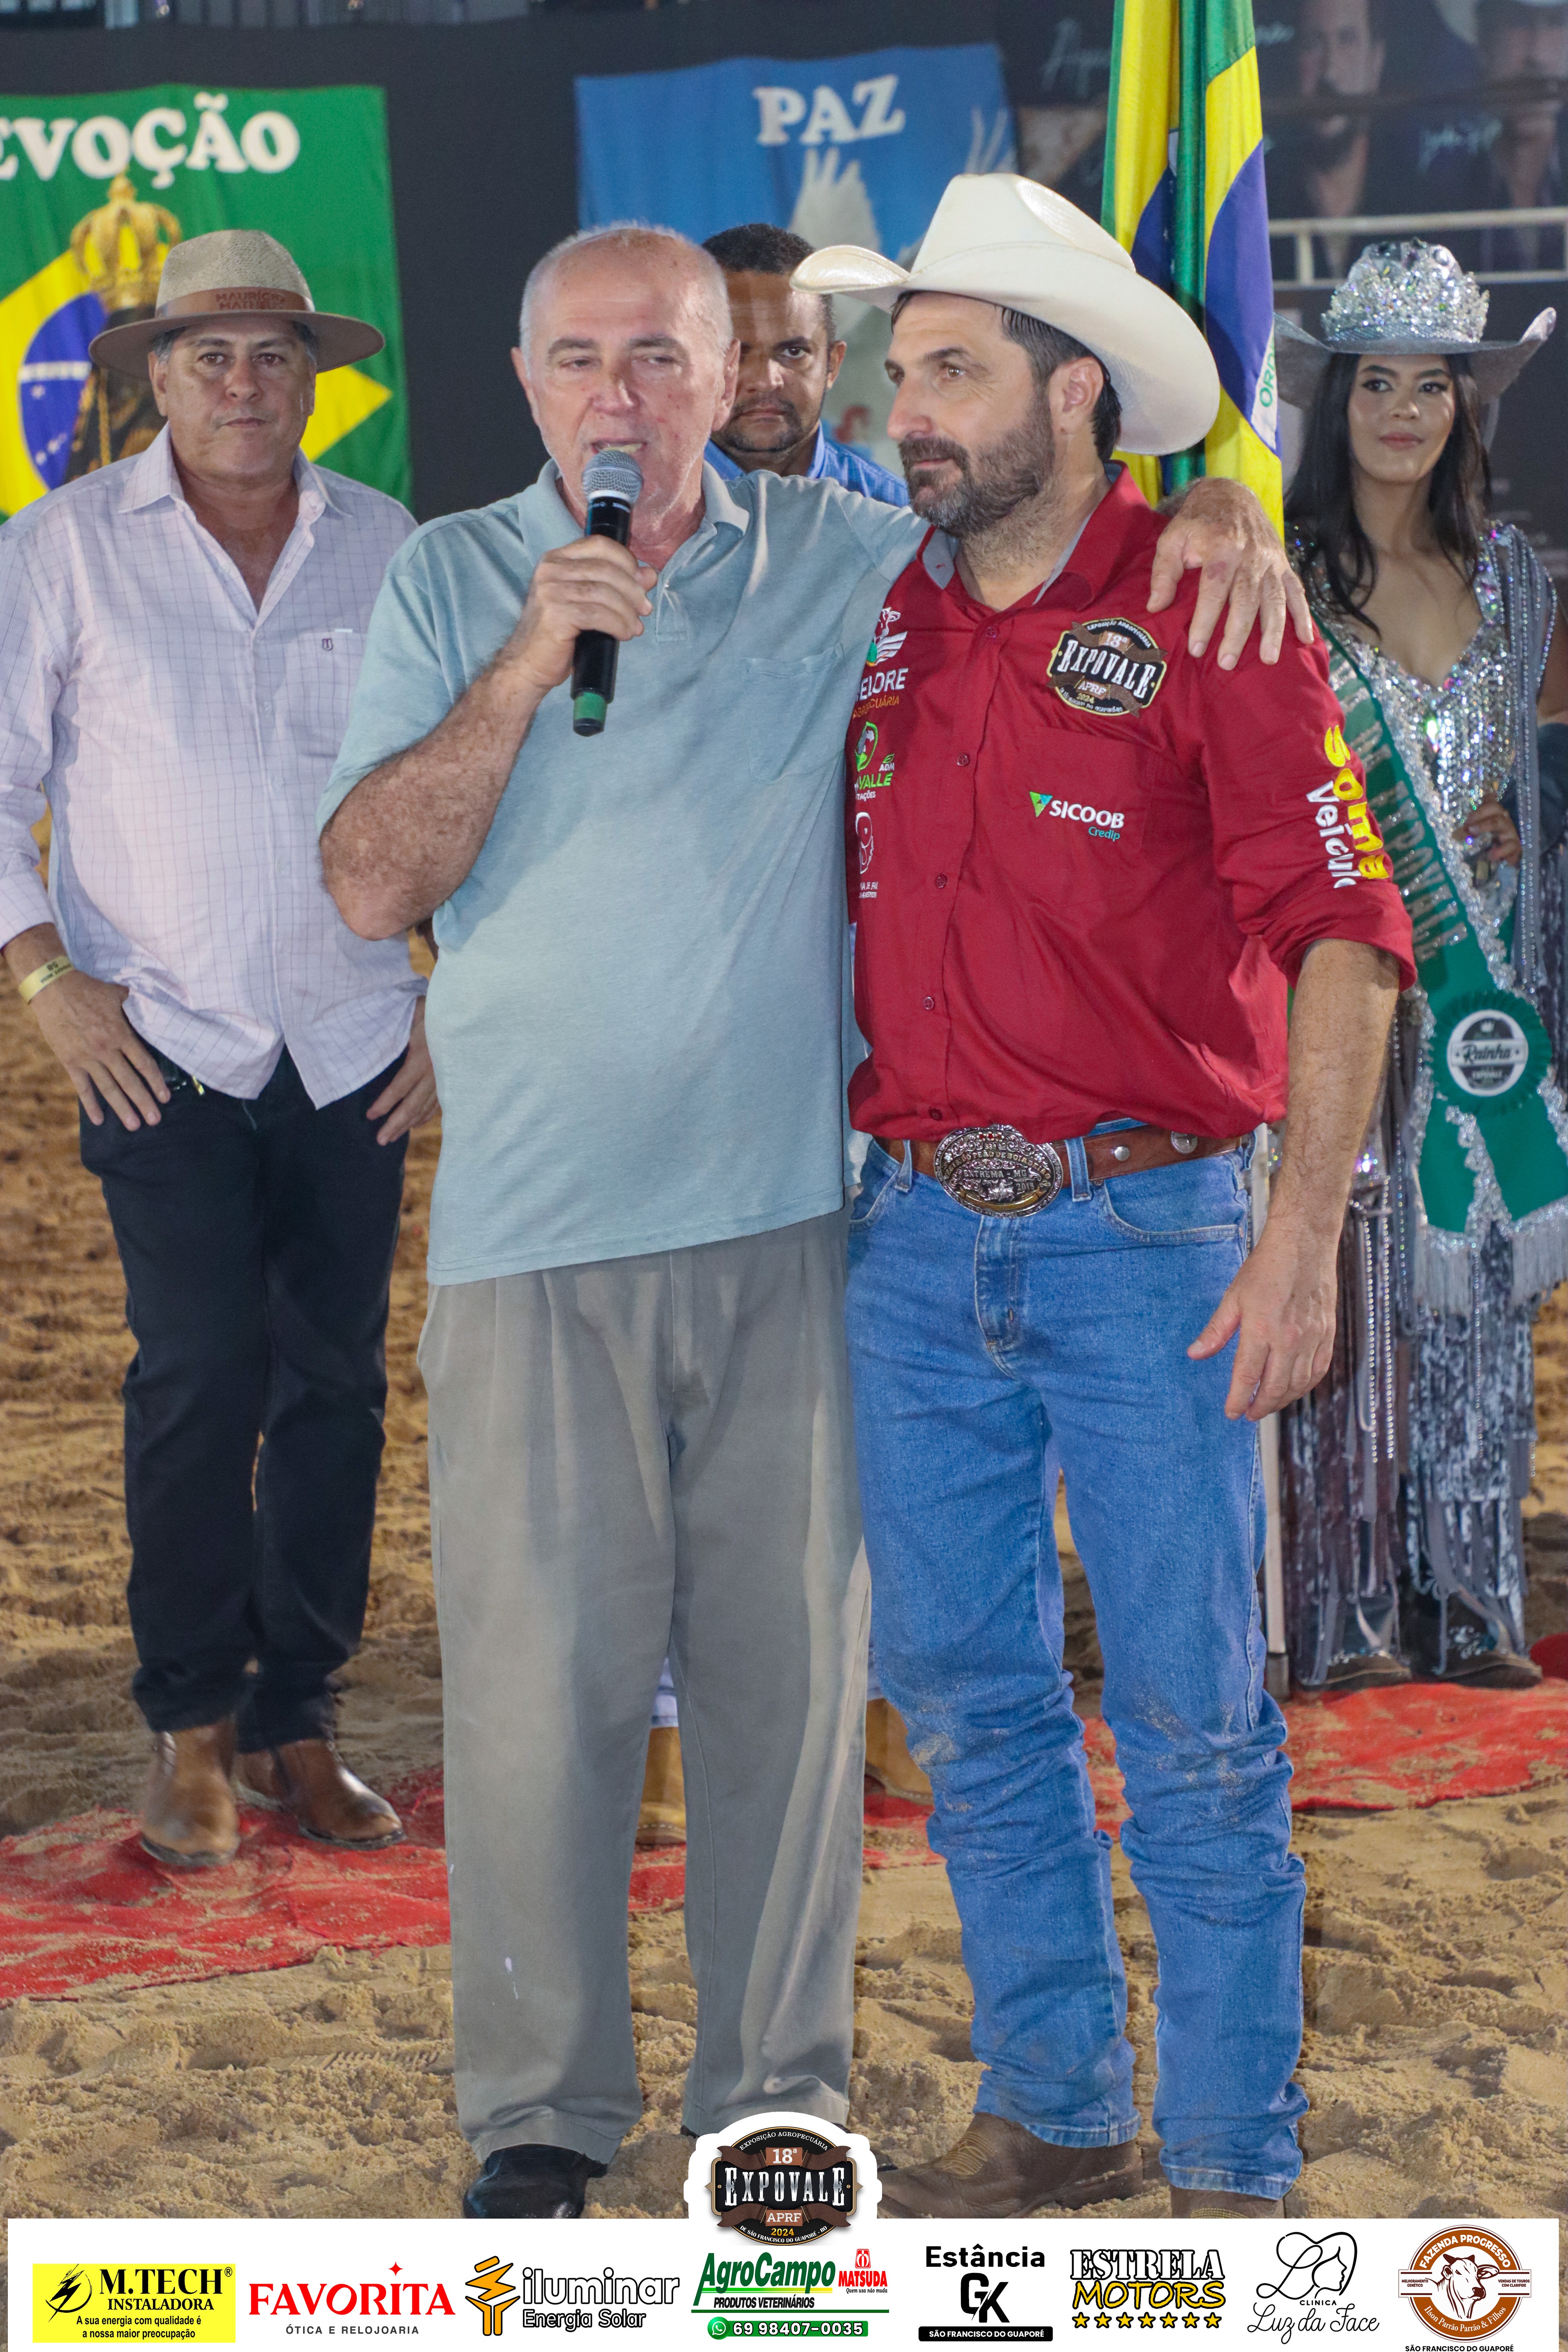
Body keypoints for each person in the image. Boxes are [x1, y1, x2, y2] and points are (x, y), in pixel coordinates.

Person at [316, 205, 1305, 2222]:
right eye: (580, 358)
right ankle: (539, 2107)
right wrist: (528, 659)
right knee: (536, 1694)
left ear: (735, 377)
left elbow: (1054, 531)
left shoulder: (858, 567)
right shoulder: (446, 578)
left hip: (802, 1230)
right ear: (522, 385)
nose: (620, 394)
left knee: (791, 1698)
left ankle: (773, 2091)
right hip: (532, 1232)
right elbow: (365, 886)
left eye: (661, 357)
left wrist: (1214, 508)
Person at [791, 170, 1416, 2221]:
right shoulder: (873, 607)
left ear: (1077, 394)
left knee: (1192, 1721)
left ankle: (1232, 2166)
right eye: (903, 372)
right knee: (971, 1703)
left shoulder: (1208, 604)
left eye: (954, 372)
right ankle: (1059, 2106)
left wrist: (1303, 1233)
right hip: (909, 1238)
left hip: (1153, 1236)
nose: (909, 411)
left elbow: (1343, 933)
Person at [0, 230, 434, 1870]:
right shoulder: (60, 552)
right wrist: (46, 982)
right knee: (196, 1375)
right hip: (156, 1042)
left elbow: (476, 780)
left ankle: (294, 1721)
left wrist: (450, 994)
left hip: (353, 1040)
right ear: (158, 377)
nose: (242, 384)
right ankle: (188, 1718)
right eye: (210, 356)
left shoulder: (391, 547)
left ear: (312, 376)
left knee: (337, 1384)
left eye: (271, 354)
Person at [632, 219, 916, 1846]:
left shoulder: (907, 526)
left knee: (885, 1362)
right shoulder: (618, 528)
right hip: (693, 1010)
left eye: (792, 346)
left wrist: (1221, 507)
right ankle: (672, 1717)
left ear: (833, 360)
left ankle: (886, 1686)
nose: (764, 377)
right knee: (688, 1376)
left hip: (879, 1014)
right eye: (733, 347)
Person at [1274, 241, 1568, 1691]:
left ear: (1466, 403)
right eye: (1375, 383)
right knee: (1348, 1277)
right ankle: (1344, 1604)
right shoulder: (1280, 577)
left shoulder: (1512, 578)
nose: (1402, 412)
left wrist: (1524, 812)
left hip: (1483, 997)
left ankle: (1467, 1592)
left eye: (1430, 385)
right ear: (1334, 400)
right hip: (1337, 992)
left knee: (1476, 1294)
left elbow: (1538, 762)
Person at [701, 221, 906, 503]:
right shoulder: (640, 507)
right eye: (733, 354)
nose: (766, 380)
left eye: (794, 352)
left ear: (833, 365)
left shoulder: (901, 516)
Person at [1267, 0, 1406, 285]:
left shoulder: (1414, 200)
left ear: (1376, 61)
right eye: (1313, 44)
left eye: (1348, 40)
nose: (1330, 71)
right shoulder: (1261, 200)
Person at [1443, 1, 1568, 274]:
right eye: (1519, 23)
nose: (1537, 54)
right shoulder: (1445, 201)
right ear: (1485, 41)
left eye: (1556, 23)